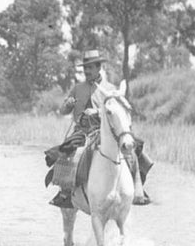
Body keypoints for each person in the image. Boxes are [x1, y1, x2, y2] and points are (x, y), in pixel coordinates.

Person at [45, 50, 154, 207]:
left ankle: (137, 189)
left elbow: (118, 111)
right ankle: (66, 192)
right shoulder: (77, 88)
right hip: (82, 132)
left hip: (106, 132)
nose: (87, 71)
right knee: (69, 150)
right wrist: (67, 105)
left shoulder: (110, 88)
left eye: (90, 67)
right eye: (85, 68)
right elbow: (63, 111)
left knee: (135, 148)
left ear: (98, 68)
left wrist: (96, 112)